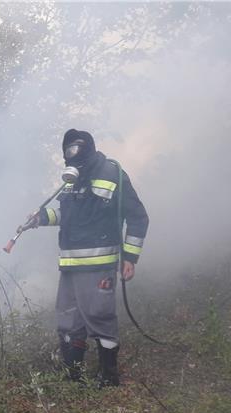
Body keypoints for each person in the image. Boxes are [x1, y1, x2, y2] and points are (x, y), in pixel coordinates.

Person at [27, 129, 149, 386]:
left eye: (74, 149)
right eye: (67, 151)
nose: (70, 155)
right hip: (70, 265)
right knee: (68, 319)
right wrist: (41, 218)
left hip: (99, 265)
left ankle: (109, 377)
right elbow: (67, 215)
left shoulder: (112, 174)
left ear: (88, 149)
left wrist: (130, 257)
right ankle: (74, 376)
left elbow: (138, 217)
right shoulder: (72, 180)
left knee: (100, 317)